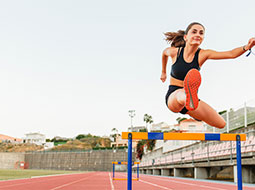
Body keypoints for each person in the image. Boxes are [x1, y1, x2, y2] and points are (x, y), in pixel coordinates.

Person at [161, 22, 255, 129]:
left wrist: (247, 47)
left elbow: (230, 54)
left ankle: (192, 105)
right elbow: (164, 53)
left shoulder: (203, 54)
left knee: (221, 124)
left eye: (201, 33)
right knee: (181, 94)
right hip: (174, 97)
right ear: (186, 37)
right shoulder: (175, 52)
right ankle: (189, 97)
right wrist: (163, 72)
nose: (198, 35)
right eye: (194, 32)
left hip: (191, 103)